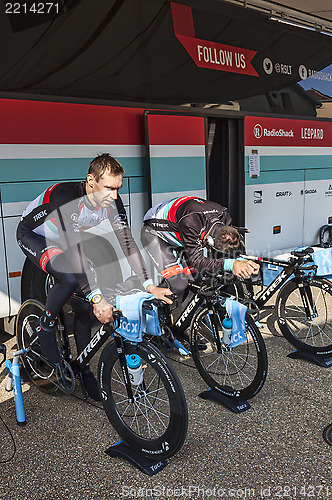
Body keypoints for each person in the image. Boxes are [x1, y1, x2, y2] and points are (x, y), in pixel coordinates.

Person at [17, 153, 172, 400]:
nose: (114, 196)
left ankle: (84, 369)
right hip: (35, 236)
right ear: (91, 181)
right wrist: (97, 296)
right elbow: (73, 249)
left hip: (68, 239)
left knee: (82, 304)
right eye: (109, 188)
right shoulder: (65, 197)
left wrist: (149, 284)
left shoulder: (112, 201)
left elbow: (127, 243)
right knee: (70, 279)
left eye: (118, 188)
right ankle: (45, 325)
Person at [141, 196, 260, 296]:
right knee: (178, 284)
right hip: (154, 234)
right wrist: (230, 264)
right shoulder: (191, 222)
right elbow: (197, 261)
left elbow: (225, 251)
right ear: (208, 241)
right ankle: (153, 308)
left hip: (182, 231)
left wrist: (240, 261)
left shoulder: (224, 215)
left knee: (196, 280)